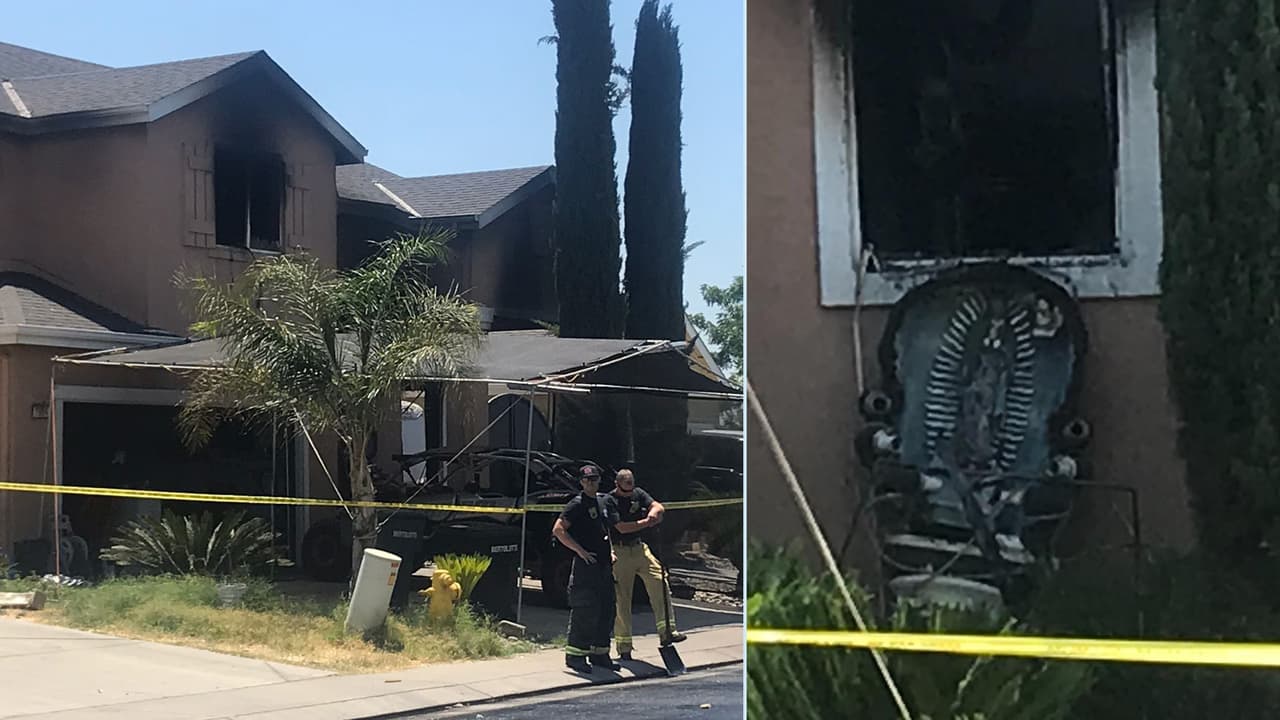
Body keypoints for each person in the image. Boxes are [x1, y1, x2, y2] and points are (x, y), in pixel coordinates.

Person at [608, 468, 687, 660]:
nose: (629, 493)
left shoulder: (638, 493)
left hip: (639, 548)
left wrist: (654, 512)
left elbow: (658, 506)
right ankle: (624, 646)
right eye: (625, 490)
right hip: (619, 550)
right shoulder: (609, 501)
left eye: (631, 488)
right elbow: (622, 528)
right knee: (622, 598)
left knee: (659, 579)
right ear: (617, 485)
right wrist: (646, 522)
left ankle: (667, 632)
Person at [551, 465, 621, 673]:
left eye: (595, 479)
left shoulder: (603, 501)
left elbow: (606, 529)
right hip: (586, 566)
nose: (591, 482)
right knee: (585, 610)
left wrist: (611, 551)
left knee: (607, 609)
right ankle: (575, 656)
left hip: (604, 565)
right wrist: (579, 551)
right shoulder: (576, 504)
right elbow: (558, 530)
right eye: (587, 480)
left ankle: (599, 654)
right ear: (581, 482)